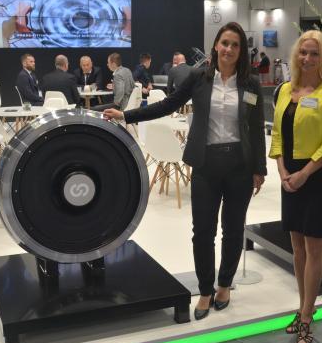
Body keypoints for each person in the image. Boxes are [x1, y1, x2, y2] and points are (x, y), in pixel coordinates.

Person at [103, 22, 266, 320]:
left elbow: (256, 129)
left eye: (235, 45)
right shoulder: (198, 77)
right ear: (216, 45)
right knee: (202, 232)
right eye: (225, 43)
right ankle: (205, 289)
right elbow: (168, 105)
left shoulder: (250, 83)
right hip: (206, 164)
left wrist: (260, 169)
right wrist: (127, 115)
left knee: (233, 231)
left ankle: (224, 285)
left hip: (240, 167)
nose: (229, 49)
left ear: (241, 50)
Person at [269, 30, 322, 343]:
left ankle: (306, 317)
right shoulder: (286, 90)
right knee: (297, 249)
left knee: (314, 250)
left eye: (314, 53)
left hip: (316, 177)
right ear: (296, 56)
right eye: (303, 52)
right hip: (290, 177)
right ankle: (304, 308)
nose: (308, 58)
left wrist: (304, 174)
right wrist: (283, 171)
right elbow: (277, 134)